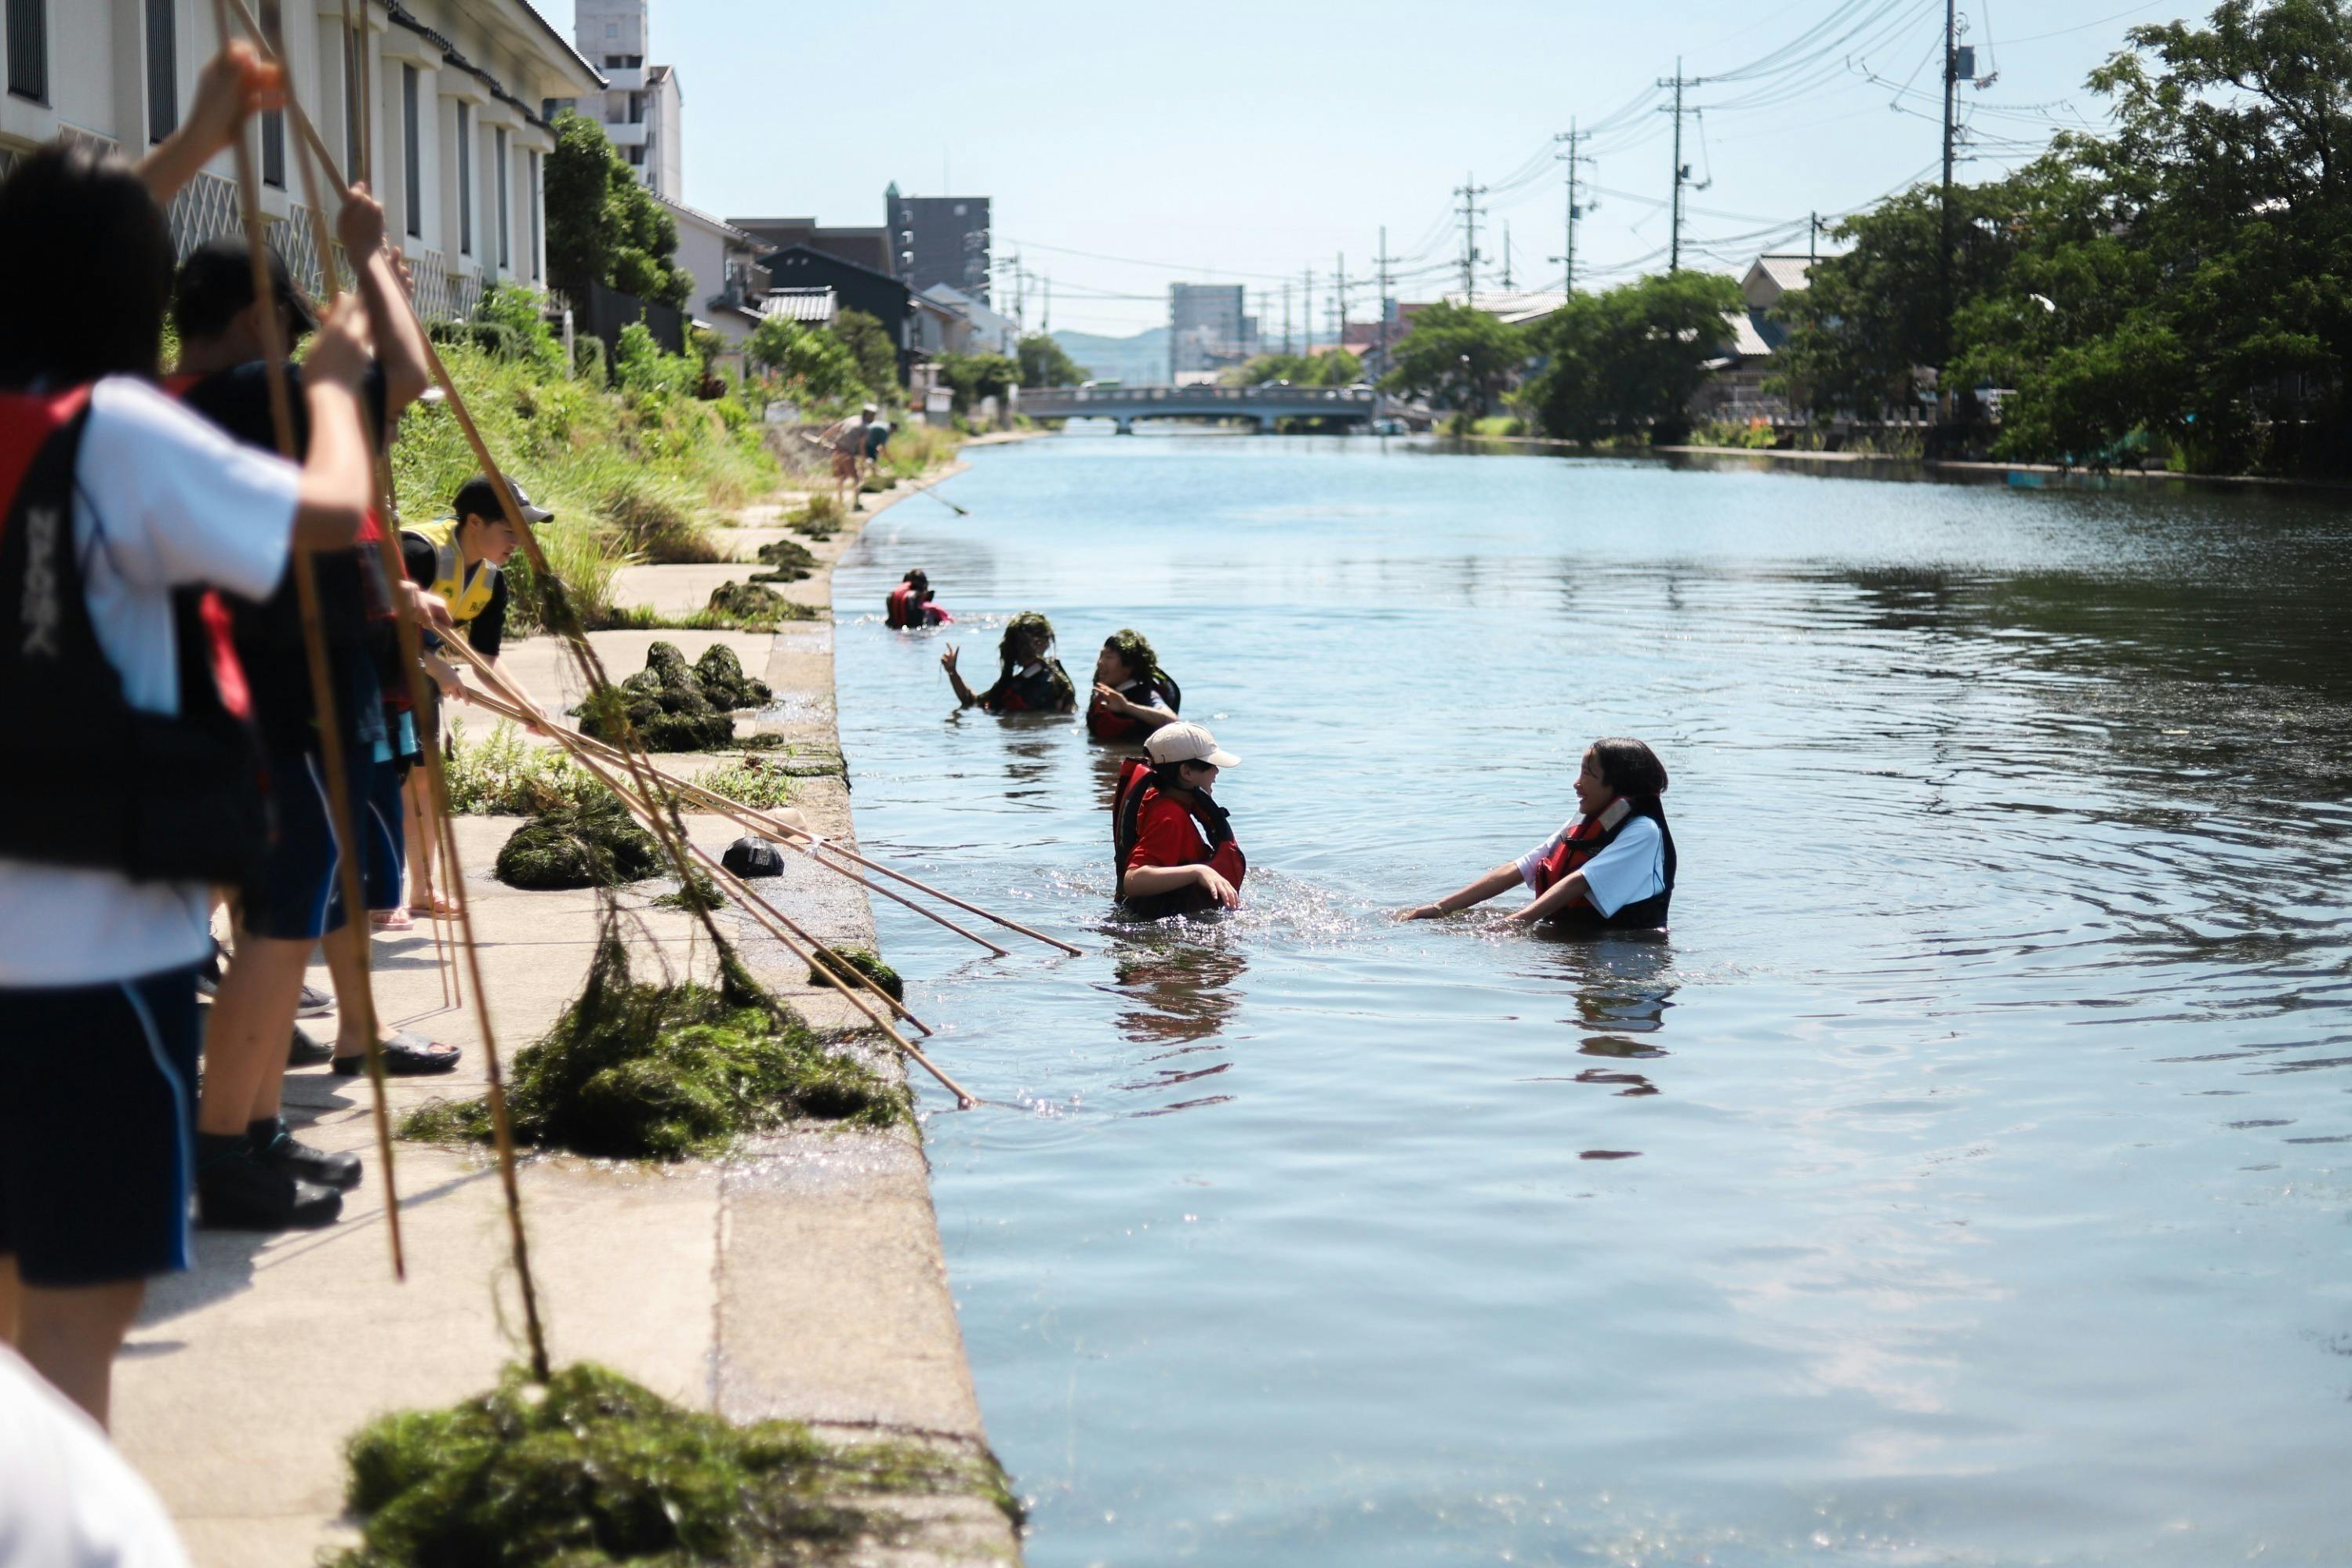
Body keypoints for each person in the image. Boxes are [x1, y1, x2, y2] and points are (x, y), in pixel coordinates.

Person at [0, 64, 374, 1421]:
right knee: (68, 1346)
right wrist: (332, 386)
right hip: (94, 960)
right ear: (130, 291)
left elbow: (48, 264)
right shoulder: (123, 440)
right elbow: (327, 515)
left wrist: (196, 142)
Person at [171, 192, 455, 1112]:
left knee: (295, 872)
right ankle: (236, 1128)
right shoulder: (262, 394)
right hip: (289, 680)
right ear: (258, 317)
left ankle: (299, 1064)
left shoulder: (156, 404)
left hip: (229, 671)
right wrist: (371, 258)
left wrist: (385, 587)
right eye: (287, 331)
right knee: (286, 886)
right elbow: (408, 373)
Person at [1399, 737, 1675, 929]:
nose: (1576, 784)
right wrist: (1440, 908)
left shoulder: (1644, 831)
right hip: (1579, 940)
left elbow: (1580, 881)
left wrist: (1514, 923)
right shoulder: (1585, 822)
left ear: (1617, 784)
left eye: (1587, 774)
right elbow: (1521, 868)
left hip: (1630, 953)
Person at [1112, 722, 1246, 916]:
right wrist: (1198, 872)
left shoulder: (1161, 802)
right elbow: (1133, 880)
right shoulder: (1169, 817)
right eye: (1210, 765)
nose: (1216, 771)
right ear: (1187, 772)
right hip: (1155, 924)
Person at [940, 611, 1076, 713]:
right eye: (1017, 643)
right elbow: (974, 702)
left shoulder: (1053, 681)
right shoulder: (1011, 684)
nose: (1021, 649)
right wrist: (953, 673)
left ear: (1044, 643)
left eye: (1024, 644)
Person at [1087, 628, 1181, 742]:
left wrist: (1126, 707)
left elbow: (1173, 721)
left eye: (1109, 657)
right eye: (1101, 656)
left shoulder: (1148, 695)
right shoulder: (1106, 693)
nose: (1100, 662)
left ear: (1129, 665)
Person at [824, 403, 876, 513]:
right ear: (868, 415)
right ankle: (856, 503)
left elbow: (836, 427)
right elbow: (862, 446)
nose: (874, 418)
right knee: (857, 477)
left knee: (840, 477)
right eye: (873, 416)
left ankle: (840, 502)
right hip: (847, 453)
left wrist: (822, 438)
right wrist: (865, 459)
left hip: (837, 450)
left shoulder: (852, 419)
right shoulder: (864, 428)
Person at [885, 568, 949, 629]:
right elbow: (947, 619)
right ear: (924, 585)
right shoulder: (928, 606)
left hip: (896, 629)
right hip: (920, 629)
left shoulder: (893, 596)